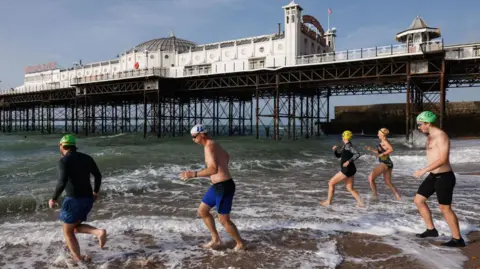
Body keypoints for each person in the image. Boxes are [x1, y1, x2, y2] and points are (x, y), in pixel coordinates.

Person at [179, 124, 245, 251]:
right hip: (217, 186)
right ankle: (216, 239)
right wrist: (223, 168)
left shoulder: (209, 146)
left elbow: (213, 169)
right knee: (202, 211)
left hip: (224, 186)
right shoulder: (214, 144)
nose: (193, 140)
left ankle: (240, 243)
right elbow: (226, 156)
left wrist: (193, 174)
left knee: (223, 220)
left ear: (201, 134)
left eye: (194, 137)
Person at [48, 134, 107, 262]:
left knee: (67, 231)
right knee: (74, 227)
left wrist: (53, 198)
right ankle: (96, 234)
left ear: (62, 146)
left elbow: (62, 182)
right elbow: (98, 176)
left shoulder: (63, 161)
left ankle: (78, 258)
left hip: (74, 200)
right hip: (88, 199)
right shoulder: (87, 158)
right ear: (74, 146)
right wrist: (95, 192)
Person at [413, 111, 465, 247]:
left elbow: (443, 159)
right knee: (419, 200)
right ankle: (431, 230)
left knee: (445, 208)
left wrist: (423, 170)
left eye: (420, 124)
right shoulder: (430, 136)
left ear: (428, 123)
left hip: (445, 177)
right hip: (433, 176)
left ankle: (458, 239)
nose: (419, 127)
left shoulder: (441, 136)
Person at [320, 130, 364, 207]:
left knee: (331, 183)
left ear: (345, 137)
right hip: (350, 169)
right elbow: (339, 156)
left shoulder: (348, 146)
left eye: (343, 136)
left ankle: (328, 202)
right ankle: (361, 203)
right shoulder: (345, 146)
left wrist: (348, 161)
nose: (342, 137)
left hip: (347, 170)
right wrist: (335, 151)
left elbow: (357, 154)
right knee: (349, 188)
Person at [364, 128, 401, 200]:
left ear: (382, 135)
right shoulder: (384, 141)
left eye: (378, 133)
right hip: (388, 163)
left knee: (370, 178)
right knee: (388, 182)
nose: (377, 135)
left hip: (385, 163)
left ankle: (375, 195)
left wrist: (382, 154)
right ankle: (398, 197)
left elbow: (391, 149)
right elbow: (380, 153)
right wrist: (371, 149)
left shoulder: (384, 141)